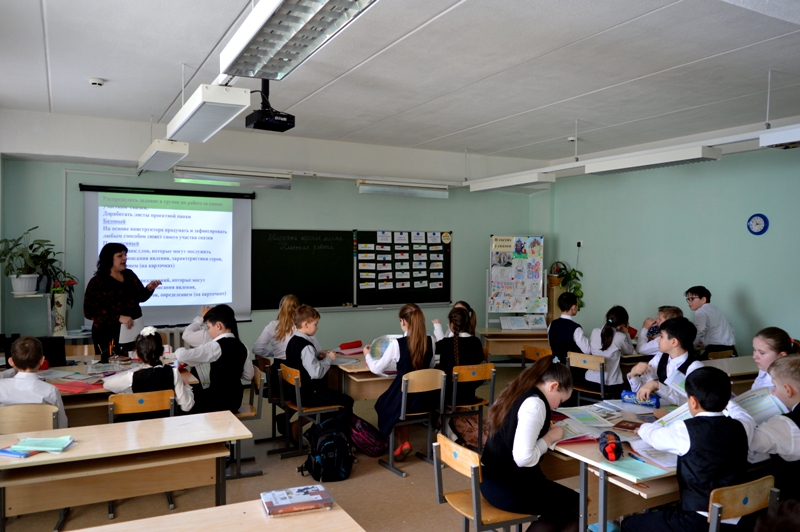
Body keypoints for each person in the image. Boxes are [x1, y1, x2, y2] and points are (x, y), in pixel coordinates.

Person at [623, 367, 755, 532]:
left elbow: (655, 437)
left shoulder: (685, 430)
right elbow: (744, 415)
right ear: (727, 399)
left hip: (699, 521)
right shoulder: (742, 426)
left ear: (693, 402)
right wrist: (727, 401)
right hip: (740, 519)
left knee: (630, 524)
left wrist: (643, 428)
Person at [480, 356, 578, 532]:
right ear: (553, 386)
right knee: (577, 505)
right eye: (560, 400)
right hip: (507, 487)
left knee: (563, 507)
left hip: (490, 479)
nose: (557, 407)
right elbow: (523, 458)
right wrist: (549, 438)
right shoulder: (535, 404)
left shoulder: (518, 388)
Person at [363, 303, 436, 461]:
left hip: (404, 395)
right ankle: (404, 442)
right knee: (400, 408)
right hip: (425, 399)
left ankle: (401, 442)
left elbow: (376, 368)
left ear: (403, 321)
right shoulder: (430, 341)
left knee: (384, 405)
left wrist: (367, 354)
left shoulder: (398, 344)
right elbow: (431, 367)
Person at [83, 243, 161, 359]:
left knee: (134, 364)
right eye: (120, 256)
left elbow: (140, 297)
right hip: (107, 335)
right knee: (111, 367)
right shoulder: (97, 282)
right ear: (109, 259)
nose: (125, 258)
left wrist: (149, 289)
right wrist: (117, 317)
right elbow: (89, 312)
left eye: (125, 255)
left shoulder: (129, 275)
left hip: (132, 332)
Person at [283, 305, 354, 427]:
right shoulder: (306, 346)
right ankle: (327, 431)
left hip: (294, 393)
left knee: (333, 395)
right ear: (306, 324)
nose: (317, 328)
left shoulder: (293, 341)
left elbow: (300, 362)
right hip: (308, 396)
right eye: (315, 324)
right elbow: (316, 373)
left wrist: (317, 356)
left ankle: (319, 429)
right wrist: (329, 359)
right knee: (347, 401)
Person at [174, 304, 252, 414]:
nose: (209, 331)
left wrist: (178, 350)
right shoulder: (243, 347)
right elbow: (249, 376)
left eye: (209, 327)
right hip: (235, 402)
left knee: (179, 404)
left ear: (218, 326)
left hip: (216, 402)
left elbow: (182, 356)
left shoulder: (215, 346)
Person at [103, 326, 194, 414]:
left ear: (137, 354)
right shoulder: (174, 373)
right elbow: (187, 406)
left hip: (138, 422)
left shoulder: (133, 376)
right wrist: (187, 387)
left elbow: (107, 385)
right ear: (162, 351)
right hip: (166, 422)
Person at [749, 355, 800, 502]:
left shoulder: (785, 425)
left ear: (788, 390)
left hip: (792, 504)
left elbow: (749, 444)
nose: (772, 392)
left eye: (775, 386)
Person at [628, 317, 704, 406]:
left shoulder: (694, 367)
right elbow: (640, 393)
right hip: (659, 408)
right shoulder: (660, 358)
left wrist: (657, 385)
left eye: (661, 336)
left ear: (674, 342)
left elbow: (689, 401)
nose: (658, 340)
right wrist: (634, 375)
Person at [252, 295, 320, 391]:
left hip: (277, 379)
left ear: (280, 309)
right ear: (299, 309)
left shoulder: (272, 326)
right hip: (299, 380)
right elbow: (317, 351)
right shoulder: (303, 327)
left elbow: (256, 349)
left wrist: (274, 353)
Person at [0, 336, 67, 428]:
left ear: (11, 362)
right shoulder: (50, 390)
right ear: (42, 360)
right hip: (44, 436)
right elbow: (62, 425)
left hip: (7, 437)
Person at [436, 306, 485, 405]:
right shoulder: (476, 342)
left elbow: (430, 351)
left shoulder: (446, 343)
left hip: (447, 397)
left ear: (451, 325)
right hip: (469, 396)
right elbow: (480, 359)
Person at [587, 305, 634, 396]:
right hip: (610, 384)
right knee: (631, 384)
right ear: (622, 323)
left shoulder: (595, 331)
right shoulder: (621, 337)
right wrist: (626, 333)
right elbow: (630, 351)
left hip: (590, 381)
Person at [684, 286, 736, 358]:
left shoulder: (700, 311)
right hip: (731, 349)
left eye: (692, 299)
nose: (689, 302)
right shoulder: (715, 309)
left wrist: (692, 346)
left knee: (694, 362)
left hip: (715, 350)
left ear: (703, 299)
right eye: (688, 299)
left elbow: (700, 331)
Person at [547, 292, 590, 361]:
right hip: (571, 366)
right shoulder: (576, 328)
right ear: (573, 307)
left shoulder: (552, 324)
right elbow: (587, 350)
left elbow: (551, 344)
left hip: (556, 365)